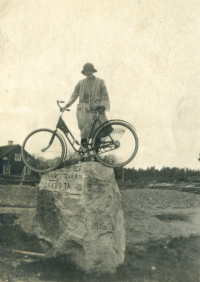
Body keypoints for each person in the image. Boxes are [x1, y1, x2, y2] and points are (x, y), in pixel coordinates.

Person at [61, 63, 110, 148]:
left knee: (97, 129)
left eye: (90, 70)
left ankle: (96, 154)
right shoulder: (80, 83)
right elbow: (74, 95)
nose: (88, 72)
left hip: (96, 108)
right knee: (84, 131)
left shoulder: (100, 82)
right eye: (86, 71)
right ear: (84, 73)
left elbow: (105, 95)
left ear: (92, 71)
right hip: (83, 110)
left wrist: (103, 106)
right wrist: (66, 106)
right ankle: (84, 153)